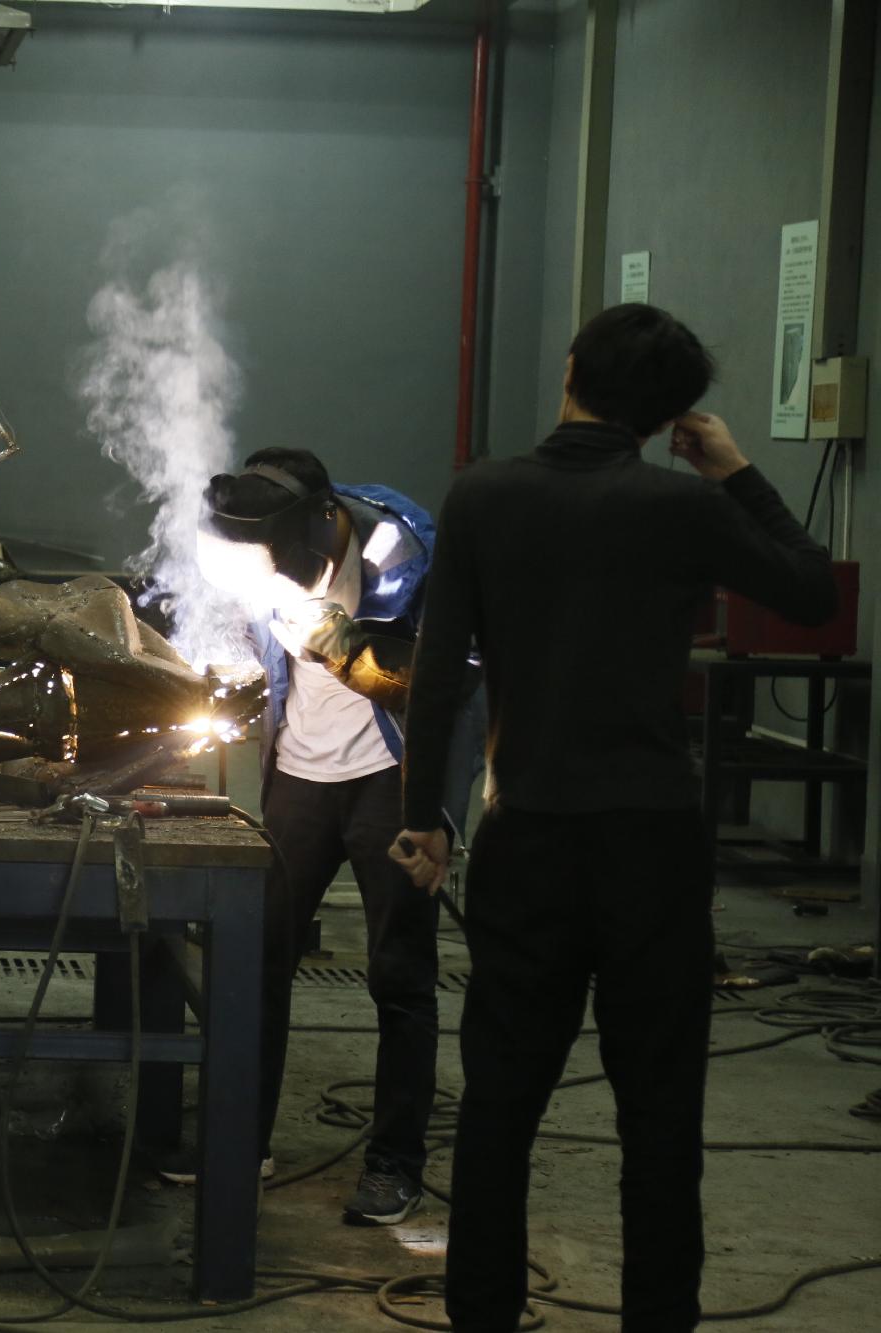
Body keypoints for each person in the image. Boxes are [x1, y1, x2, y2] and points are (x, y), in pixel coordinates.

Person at [392, 303, 836, 1332]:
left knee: (499, 1103)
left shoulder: (482, 494)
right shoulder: (680, 505)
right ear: (670, 415)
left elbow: (437, 673)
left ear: (569, 372)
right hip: (651, 845)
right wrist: (733, 471)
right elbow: (811, 592)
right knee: (659, 1113)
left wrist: (428, 819)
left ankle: (482, 1314)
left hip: (528, 837)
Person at [203, 446, 471, 1225]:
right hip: (299, 772)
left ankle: (395, 1164)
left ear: (325, 523)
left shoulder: (402, 551)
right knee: (258, 958)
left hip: (391, 776)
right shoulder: (247, 537)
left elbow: (451, 678)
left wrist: (348, 648)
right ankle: (240, 1141)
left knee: (400, 973)